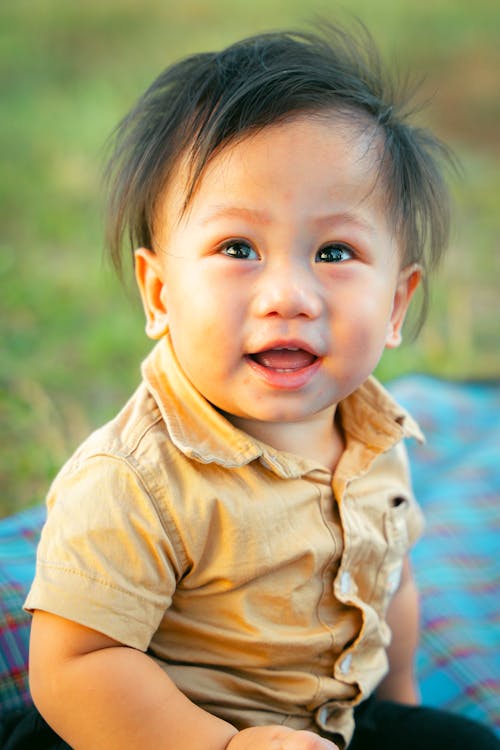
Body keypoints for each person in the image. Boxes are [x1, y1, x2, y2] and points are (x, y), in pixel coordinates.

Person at [5, 22, 498, 750]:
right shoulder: (136, 479)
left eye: (335, 251)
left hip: (326, 726)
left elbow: (389, 583)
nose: (289, 294)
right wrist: (225, 747)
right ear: (160, 293)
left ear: (395, 305)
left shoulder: (376, 440)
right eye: (238, 248)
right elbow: (76, 665)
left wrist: (399, 709)